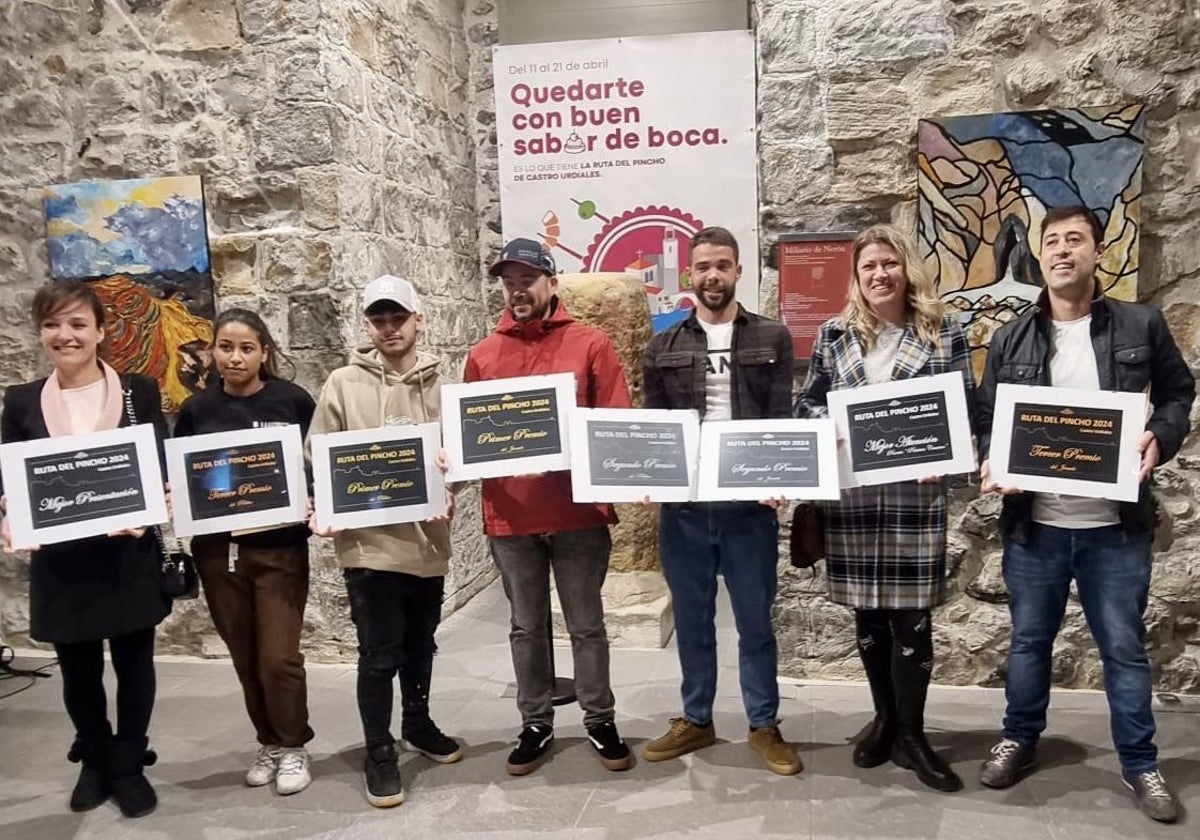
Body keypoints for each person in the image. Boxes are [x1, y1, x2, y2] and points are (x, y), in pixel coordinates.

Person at [975, 205, 1194, 823]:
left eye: (1076, 240)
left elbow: (1179, 392)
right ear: (1039, 255)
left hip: (1114, 530)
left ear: (1098, 251)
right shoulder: (1011, 337)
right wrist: (993, 464)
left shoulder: (1140, 324)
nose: (1063, 251)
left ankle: (1141, 763)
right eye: (1053, 242)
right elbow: (990, 418)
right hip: (1035, 526)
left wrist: (1162, 434)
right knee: (1028, 642)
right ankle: (1019, 737)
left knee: (1124, 648)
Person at [795, 224, 975, 792]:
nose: (880, 274)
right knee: (867, 615)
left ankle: (913, 733)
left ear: (907, 269)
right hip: (851, 498)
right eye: (869, 266)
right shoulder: (834, 334)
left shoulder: (944, 332)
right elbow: (806, 405)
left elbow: (967, 414)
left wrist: (946, 457)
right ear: (857, 275)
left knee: (912, 619)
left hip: (913, 499)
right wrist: (828, 428)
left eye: (889, 264)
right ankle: (884, 719)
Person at [464, 237, 633, 776]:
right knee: (525, 626)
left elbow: (615, 422)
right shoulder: (482, 356)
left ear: (551, 283)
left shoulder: (590, 345)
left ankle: (599, 718)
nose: (518, 290)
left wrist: (569, 457)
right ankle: (535, 722)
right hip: (511, 516)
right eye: (509, 282)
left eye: (527, 280)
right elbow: (471, 436)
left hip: (577, 515)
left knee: (586, 623)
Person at [0, 281, 170, 818]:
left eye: (77, 324)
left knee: (134, 662)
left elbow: (157, 467)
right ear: (40, 332)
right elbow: (7, 480)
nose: (65, 335)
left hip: (126, 556)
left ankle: (127, 763)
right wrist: (11, 518)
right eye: (52, 324)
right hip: (61, 560)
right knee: (78, 671)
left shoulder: (137, 392)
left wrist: (146, 514)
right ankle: (94, 759)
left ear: (100, 331)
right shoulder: (21, 400)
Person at [641, 226, 801, 776]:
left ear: (738, 271)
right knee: (692, 620)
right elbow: (656, 427)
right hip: (684, 508)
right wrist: (646, 473)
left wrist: (781, 475)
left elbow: (783, 418)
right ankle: (697, 719)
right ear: (690, 274)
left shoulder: (772, 338)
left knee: (755, 621)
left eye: (724, 266)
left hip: (748, 509)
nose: (713, 276)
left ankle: (763, 724)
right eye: (703, 266)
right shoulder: (662, 344)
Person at [307, 275, 461, 808]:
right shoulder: (342, 383)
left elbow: (461, 457)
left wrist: (453, 473)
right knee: (378, 655)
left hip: (427, 544)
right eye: (379, 319)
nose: (390, 328)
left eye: (399, 317)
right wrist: (328, 502)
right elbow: (318, 454)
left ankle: (417, 723)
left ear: (419, 319)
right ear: (368, 324)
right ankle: (379, 751)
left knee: (421, 645)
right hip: (369, 545)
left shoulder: (444, 385)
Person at [174, 309, 317, 795]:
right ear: (212, 351)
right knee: (244, 655)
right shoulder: (196, 411)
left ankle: (294, 743)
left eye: (246, 348)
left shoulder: (293, 402)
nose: (235, 357)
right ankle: (269, 742)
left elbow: (313, 470)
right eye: (225, 347)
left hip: (279, 551)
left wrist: (314, 501)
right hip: (217, 554)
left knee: (278, 657)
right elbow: (185, 480)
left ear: (265, 353)